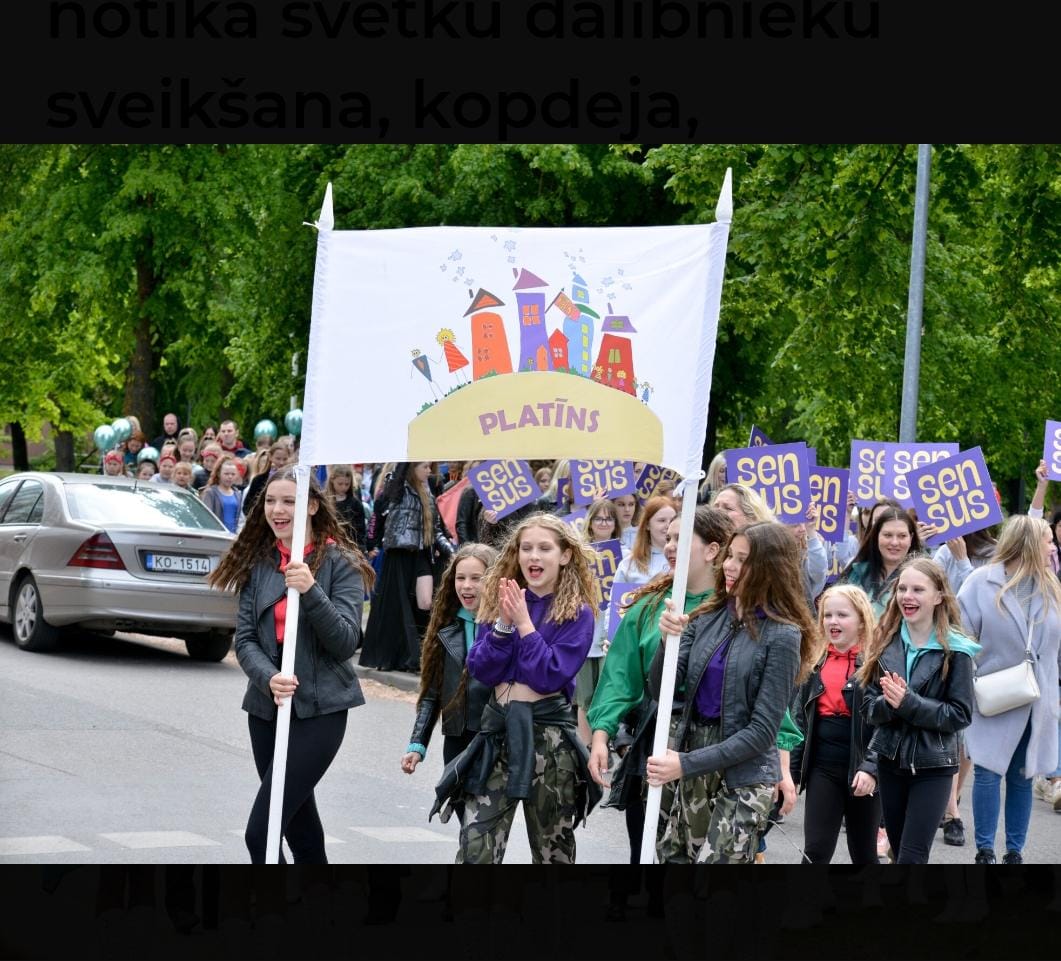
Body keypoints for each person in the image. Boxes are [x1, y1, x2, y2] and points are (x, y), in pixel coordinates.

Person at [208, 467, 374, 864]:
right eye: (270, 501)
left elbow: (346, 641)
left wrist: (310, 590)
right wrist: (269, 678)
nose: (277, 510)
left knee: (259, 835)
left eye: (289, 501)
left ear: (313, 507)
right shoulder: (261, 563)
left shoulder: (341, 563)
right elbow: (245, 639)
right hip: (267, 708)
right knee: (302, 832)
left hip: (321, 710)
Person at [430, 513, 601, 863]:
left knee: (552, 849)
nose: (533, 557)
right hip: (497, 732)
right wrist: (504, 626)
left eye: (544, 548)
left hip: (549, 740)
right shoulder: (499, 601)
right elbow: (481, 668)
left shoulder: (578, 613)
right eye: (526, 548)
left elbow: (548, 676)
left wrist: (524, 624)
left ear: (565, 555)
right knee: (475, 845)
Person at [645, 521, 817, 863]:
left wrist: (685, 763)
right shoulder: (707, 615)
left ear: (770, 569)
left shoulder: (783, 635)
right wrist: (667, 644)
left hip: (744, 777)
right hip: (693, 767)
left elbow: (762, 732)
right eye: (730, 556)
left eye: (743, 559)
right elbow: (658, 690)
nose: (729, 565)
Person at [588, 507, 733, 905]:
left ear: (712, 550)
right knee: (647, 851)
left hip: (715, 745)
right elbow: (619, 676)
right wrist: (602, 735)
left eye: (680, 539)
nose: (669, 547)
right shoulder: (651, 606)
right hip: (653, 741)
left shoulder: (736, 608)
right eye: (666, 538)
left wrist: (782, 764)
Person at [858, 557, 979, 864]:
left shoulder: (957, 650)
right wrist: (889, 703)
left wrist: (908, 703)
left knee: (912, 857)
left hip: (934, 766)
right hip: (890, 762)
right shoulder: (885, 644)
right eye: (902, 588)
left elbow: (960, 714)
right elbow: (869, 709)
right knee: (899, 852)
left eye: (918, 589)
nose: (907, 597)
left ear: (938, 596)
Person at [957, 514, 1061, 864]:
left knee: (1022, 774)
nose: (1052, 546)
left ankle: (1014, 853)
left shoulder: (1052, 587)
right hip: (992, 696)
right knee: (987, 769)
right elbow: (959, 637)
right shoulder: (979, 582)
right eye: (1048, 540)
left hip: (1037, 699)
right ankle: (984, 850)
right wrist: (971, 680)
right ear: (1029, 543)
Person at [401, 543, 500, 817]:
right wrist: (417, 744)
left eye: (476, 578)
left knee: (483, 831)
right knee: (467, 830)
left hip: (494, 739)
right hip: (456, 740)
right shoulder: (445, 628)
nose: (466, 586)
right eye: (460, 578)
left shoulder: (507, 625)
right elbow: (432, 693)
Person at [791, 584, 880, 864]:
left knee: (864, 853)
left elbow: (886, 724)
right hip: (823, 769)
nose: (833, 622)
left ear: (862, 620)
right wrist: (790, 773)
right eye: (827, 615)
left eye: (842, 615)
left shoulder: (878, 663)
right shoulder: (814, 662)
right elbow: (797, 722)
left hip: (862, 769)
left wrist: (871, 768)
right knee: (815, 850)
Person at [361, 463, 455, 672]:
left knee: (425, 602)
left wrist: (452, 552)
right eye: (424, 467)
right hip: (398, 554)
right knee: (396, 605)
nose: (429, 471)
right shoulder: (397, 488)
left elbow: (437, 529)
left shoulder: (428, 494)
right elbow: (378, 515)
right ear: (412, 468)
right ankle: (401, 657)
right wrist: (372, 543)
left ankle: (421, 652)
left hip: (421, 553)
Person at [574, 498, 626, 744]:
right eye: (599, 518)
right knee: (584, 698)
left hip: (610, 634)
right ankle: (585, 749)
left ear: (616, 523)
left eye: (609, 518)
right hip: (584, 633)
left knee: (606, 694)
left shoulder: (625, 555)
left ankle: (602, 744)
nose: (604, 523)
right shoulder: (579, 555)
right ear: (590, 522)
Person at [841, 506, 925, 617]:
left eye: (902, 536)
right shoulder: (856, 573)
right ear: (876, 536)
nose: (895, 542)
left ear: (911, 538)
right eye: (888, 535)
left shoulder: (924, 576)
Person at [614, 496, 676, 586]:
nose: (668, 525)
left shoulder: (690, 560)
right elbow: (617, 599)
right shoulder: (628, 564)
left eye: (672, 520)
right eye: (661, 520)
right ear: (647, 525)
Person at [325, 465, 368, 552]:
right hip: (328, 546)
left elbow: (361, 530)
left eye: (347, 484)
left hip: (350, 548)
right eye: (340, 484)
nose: (343, 487)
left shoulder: (355, 504)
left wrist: (360, 548)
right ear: (332, 480)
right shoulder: (325, 501)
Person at [242, 442, 291, 517]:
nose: (281, 462)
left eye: (285, 459)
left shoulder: (292, 480)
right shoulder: (259, 480)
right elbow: (247, 507)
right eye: (278, 458)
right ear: (270, 457)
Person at [200, 458, 244, 534]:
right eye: (226, 474)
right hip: (217, 535)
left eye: (233, 474)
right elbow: (206, 517)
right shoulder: (210, 492)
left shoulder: (238, 494)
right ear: (219, 474)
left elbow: (240, 518)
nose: (230, 477)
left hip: (233, 536)